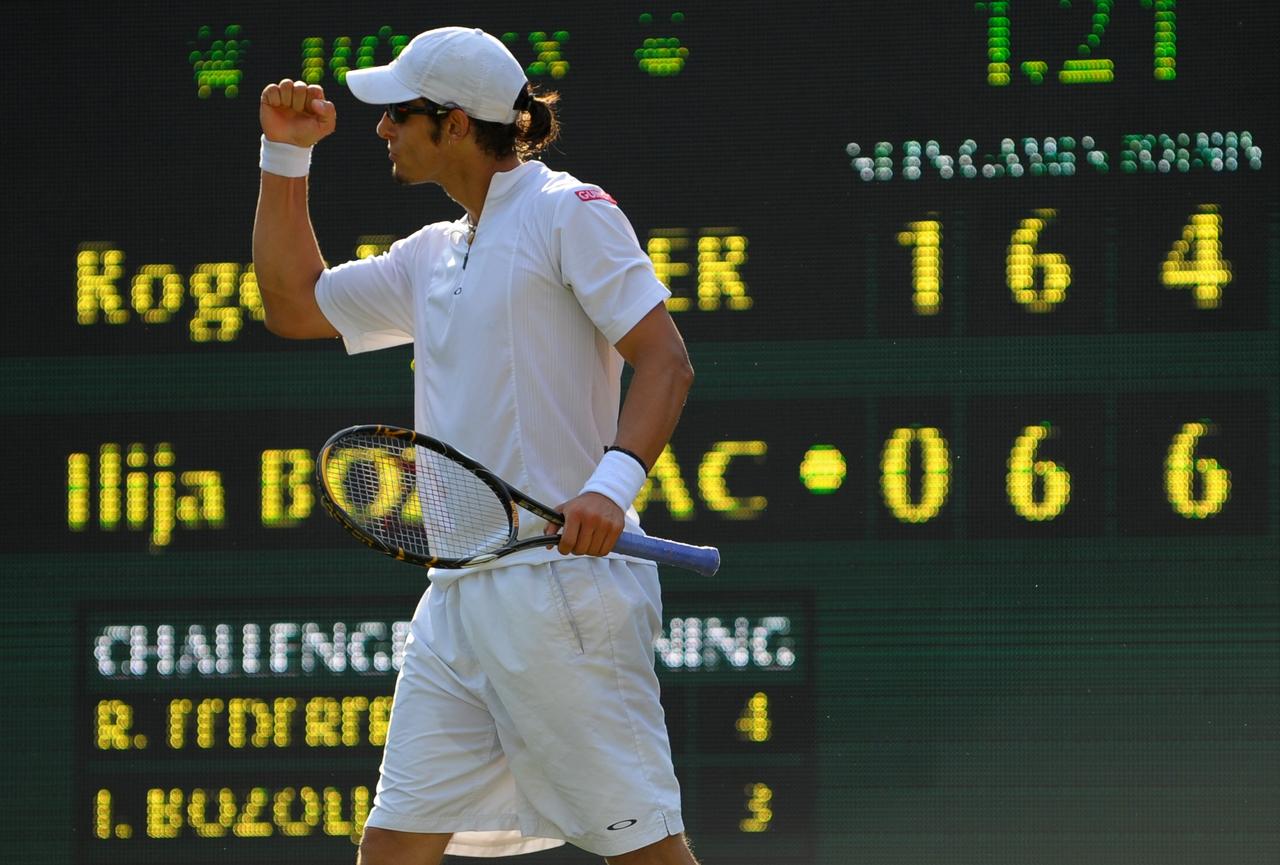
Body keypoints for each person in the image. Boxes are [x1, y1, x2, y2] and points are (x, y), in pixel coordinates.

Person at [252, 26, 699, 865]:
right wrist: (284, 155)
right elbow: (294, 304)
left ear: (455, 124)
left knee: (650, 856)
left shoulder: (569, 212)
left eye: (398, 115)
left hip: (561, 597)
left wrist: (607, 485)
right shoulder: (429, 255)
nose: (381, 129)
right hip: (457, 600)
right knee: (389, 852)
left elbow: (665, 363)